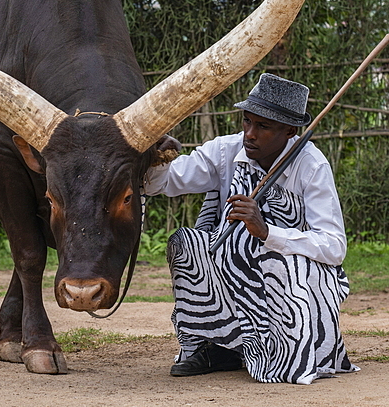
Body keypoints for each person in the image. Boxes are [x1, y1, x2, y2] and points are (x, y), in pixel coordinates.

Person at [145, 73, 358, 385]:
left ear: (290, 131)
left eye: (263, 127)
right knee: (185, 243)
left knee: (280, 264)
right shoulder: (225, 151)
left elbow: (334, 246)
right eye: (247, 122)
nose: (250, 134)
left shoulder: (312, 166)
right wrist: (159, 159)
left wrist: (267, 232)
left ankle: (281, 349)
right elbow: (159, 184)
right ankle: (213, 346)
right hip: (231, 267)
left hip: (295, 276)